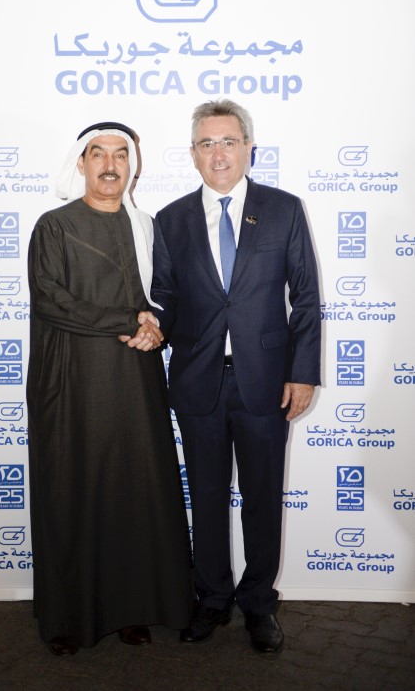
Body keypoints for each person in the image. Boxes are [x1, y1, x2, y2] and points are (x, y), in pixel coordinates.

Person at [151, 100, 321, 653]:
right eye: (207, 143)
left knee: (262, 498)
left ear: (249, 148)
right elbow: (166, 296)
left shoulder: (284, 209)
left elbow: (306, 298)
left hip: (266, 382)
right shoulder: (170, 220)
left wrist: (302, 373)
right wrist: (151, 325)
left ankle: (258, 604)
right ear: (192, 154)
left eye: (228, 141)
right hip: (197, 382)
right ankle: (212, 598)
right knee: (204, 497)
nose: (218, 153)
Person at [26, 121, 192, 655]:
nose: (109, 164)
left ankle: (132, 610)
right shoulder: (54, 226)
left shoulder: (146, 226)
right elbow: (50, 299)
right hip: (70, 381)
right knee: (72, 488)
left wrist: (155, 326)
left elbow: (164, 292)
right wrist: (127, 320)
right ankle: (68, 618)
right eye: (98, 154)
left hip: (135, 381)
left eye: (121, 155)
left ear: (132, 166)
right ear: (81, 163)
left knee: (134, 491)